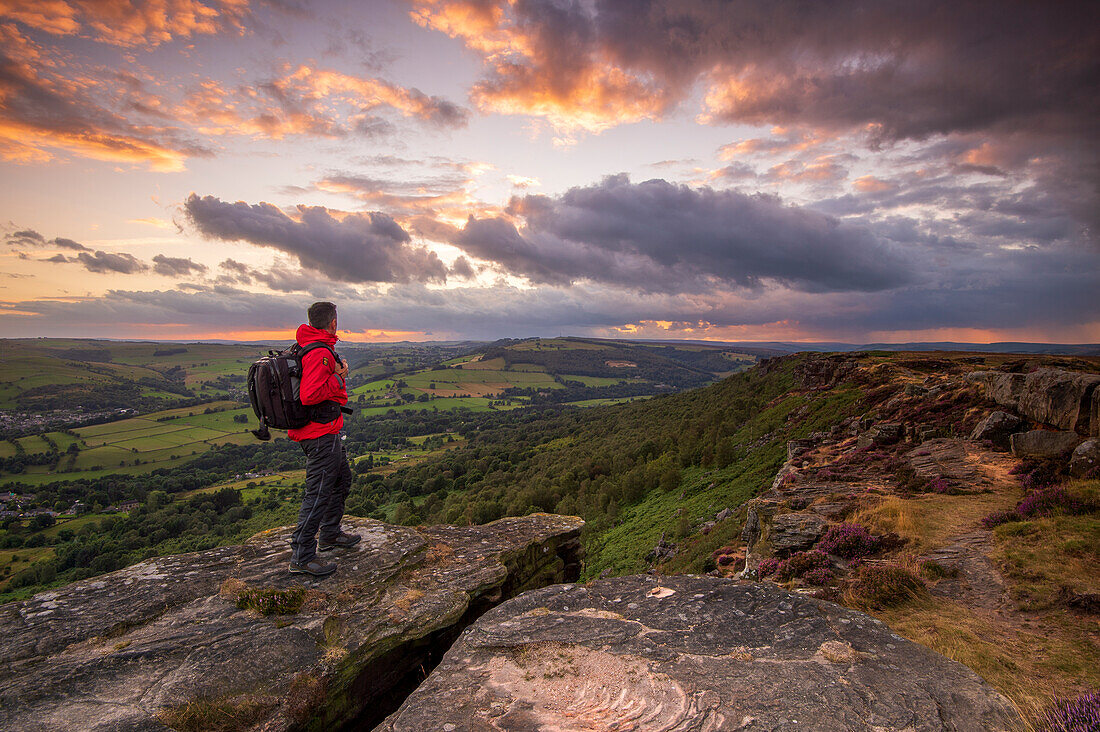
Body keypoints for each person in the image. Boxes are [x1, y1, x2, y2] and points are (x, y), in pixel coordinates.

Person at [287, 301, 361, 576]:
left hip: (326, 430)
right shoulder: (320, 353)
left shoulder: (309, 345)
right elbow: (310, 394)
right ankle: (302, 556)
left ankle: (330, 533)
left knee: (342, 480)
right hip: (319, 435)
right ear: (333, 323)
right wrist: (338, 375)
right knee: (317, 493)